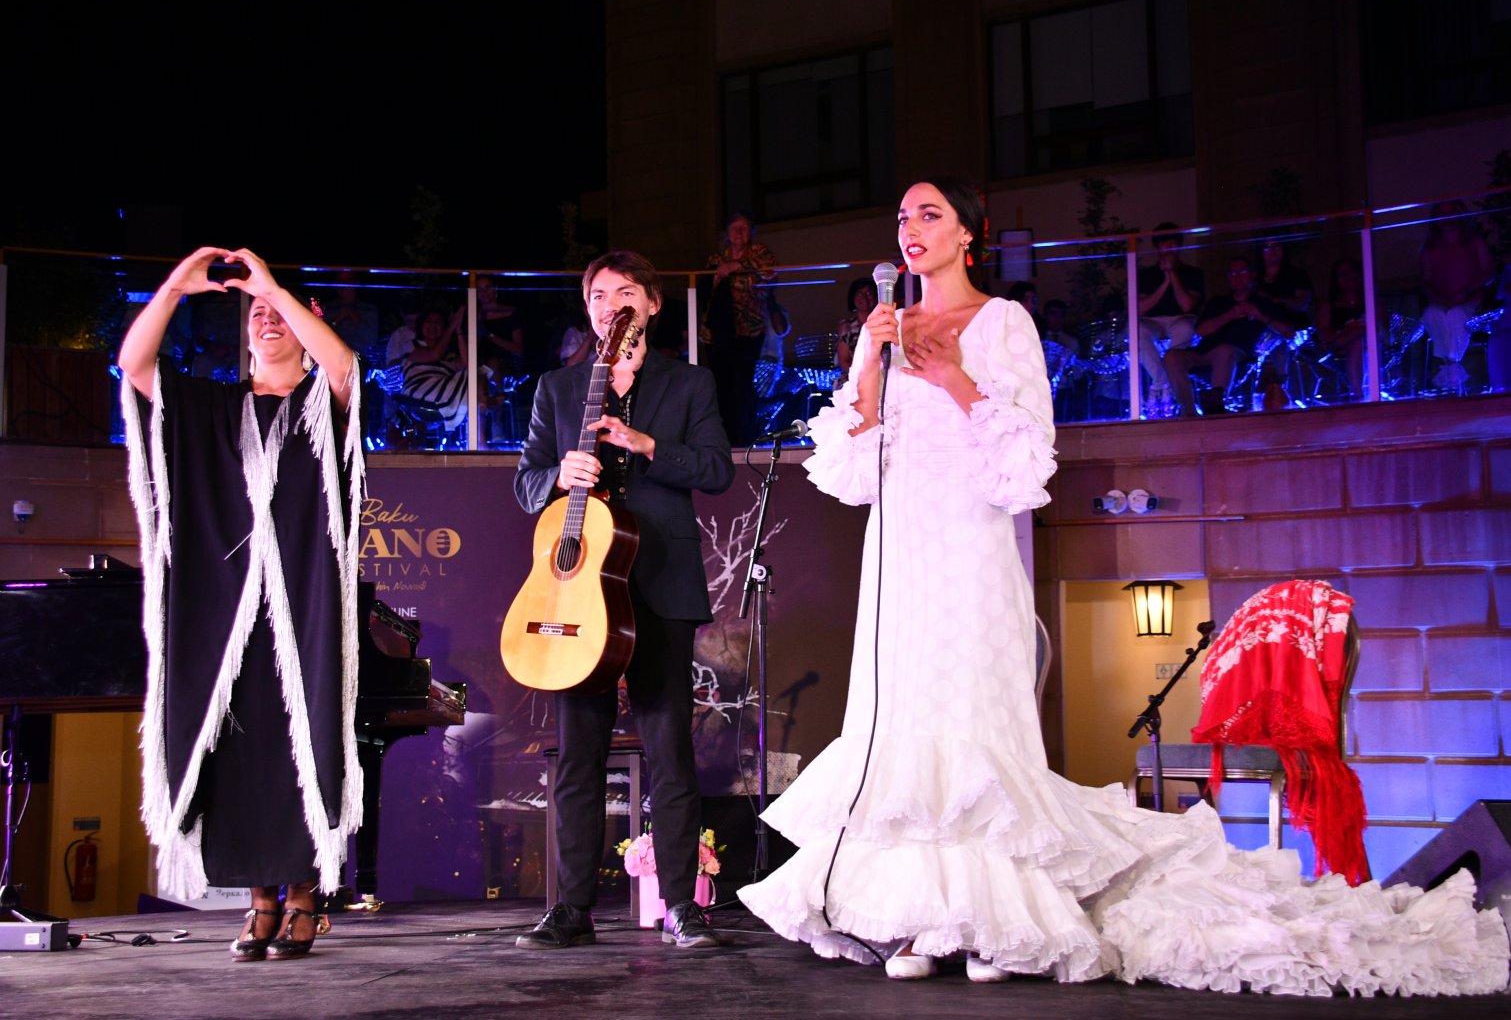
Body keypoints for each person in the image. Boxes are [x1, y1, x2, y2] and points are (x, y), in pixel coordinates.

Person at [735, 180, 1507, 995]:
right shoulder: (885, 330)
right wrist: (869, 363)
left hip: (967, 551)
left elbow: (1027, 461)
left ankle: (999, 916)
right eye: (901, 216)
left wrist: (956, 378)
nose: (910, 229)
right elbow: (852, 474)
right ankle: (924, 914)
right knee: (908, 718)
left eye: (930, 214)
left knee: (967, 715)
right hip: (897, 556)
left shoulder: (1004, 323)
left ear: (970, 235)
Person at [118, 247, 364, 962]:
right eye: (253, 313)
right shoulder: (209, 409)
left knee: (302, 739)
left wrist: (274, 287)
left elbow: (343, 368)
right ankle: (259, 900)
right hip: (225, 613)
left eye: (279, 311)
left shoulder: (321, 406)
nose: (266, 319)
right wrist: (172, 289)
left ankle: (302, 898)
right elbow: (135, 367)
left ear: (304, 316)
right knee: (237, 751)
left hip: (302, 608)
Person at [513, 250, 735, 951]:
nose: (611, 303)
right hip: (578, 596)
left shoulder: (689, 383)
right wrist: (556, 474)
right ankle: (570, 909)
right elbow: (523, 485)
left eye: (626, 291)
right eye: (599, 293)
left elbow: (717, 470)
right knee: (578, 756)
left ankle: (681, 906)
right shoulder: (557, 388)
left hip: (660, 587)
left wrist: (644, 444)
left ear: (653, 304)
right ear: (588, 310)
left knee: (669, 750)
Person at [1164, 256, 1296, 417]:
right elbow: (1200, 331)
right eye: (1232, 273)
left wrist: (1260, 315)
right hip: (1204, 352)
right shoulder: (1218, 303)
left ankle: (1215, 407)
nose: (1237, 277)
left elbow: (1289, 333)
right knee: (1172, 356)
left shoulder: (1263, 303)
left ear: (1252, 275)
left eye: (1241, 272)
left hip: (1239, 355)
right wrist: (1231, 314)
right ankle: (1188, 411)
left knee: (1224, 350)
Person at [704, 211, 778, 445]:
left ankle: (745, 436)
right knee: (721, 384)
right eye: (734, 228)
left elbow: (770, 272)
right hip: (717, 332)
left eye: (744, 228)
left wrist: (735, 266)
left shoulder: (759, 253)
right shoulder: (717, 257)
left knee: (743, 384)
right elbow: (704, 286)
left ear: (751, 232)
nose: (738, 233)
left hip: (749, 330)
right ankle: (723, 437)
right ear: (726, 232)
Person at [1420, 200, 1495, 391]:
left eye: (1451, 212)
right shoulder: (1430, 248)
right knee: (1431, 314)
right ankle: (1453, 370)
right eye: (1442, 213)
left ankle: (1451, 370)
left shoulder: (1474, 241)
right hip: (1443, 301)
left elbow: (1488, 271)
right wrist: (1441, 299)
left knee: (1456, 316)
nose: (1447, 218)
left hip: (1472, 301)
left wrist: (1466, 292)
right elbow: (1426, 282)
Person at [1135, 223, 1205, 416]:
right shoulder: (1146, 275)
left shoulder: (1193, 273)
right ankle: (1163, 382)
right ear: (1157, 246)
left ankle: (1164, 385)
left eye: (1174, 243)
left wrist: (1172, 274)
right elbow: (1140, 308)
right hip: (1153, 321)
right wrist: (1164, 281)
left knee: (1185, 327)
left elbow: (1187, 306)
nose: (1169, 247)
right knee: (1137, 330)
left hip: (1180, 318)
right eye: (1165, 243)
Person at [401, 306, 468, 435]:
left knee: (475, 375)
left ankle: (481, 435)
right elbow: (434, 355)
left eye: (438, 322)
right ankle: (486, 404)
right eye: (429, 321)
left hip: (445, 392)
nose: (433, 325)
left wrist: (458, 331)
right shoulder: (413, 347)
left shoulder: (448, 356)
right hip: (419, 394)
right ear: (421, 325)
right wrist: (451, 327)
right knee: (472, 381)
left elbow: (466, 363)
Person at [1314, 257, 1368, 398]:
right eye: (1341, 275)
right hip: (1339, 349)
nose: (1346, 277)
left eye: (1349, 272)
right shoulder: (1329, 306)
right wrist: (1344, 332)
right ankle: (1357, 392)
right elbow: (1323, 332)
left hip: (1370, 345)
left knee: (1359, 335)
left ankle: (1357, 392)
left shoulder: (1370, 302)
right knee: (1355, 339)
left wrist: (1352, 331)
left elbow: (1382, 325)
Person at [835, 276, 879, 372]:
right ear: (853, 298)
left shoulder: (883, 322)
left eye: (869, 293)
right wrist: (860, 377)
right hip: (854, 376)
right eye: (859, 294)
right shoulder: (846, 327)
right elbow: (843, 360)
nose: (864, 298)